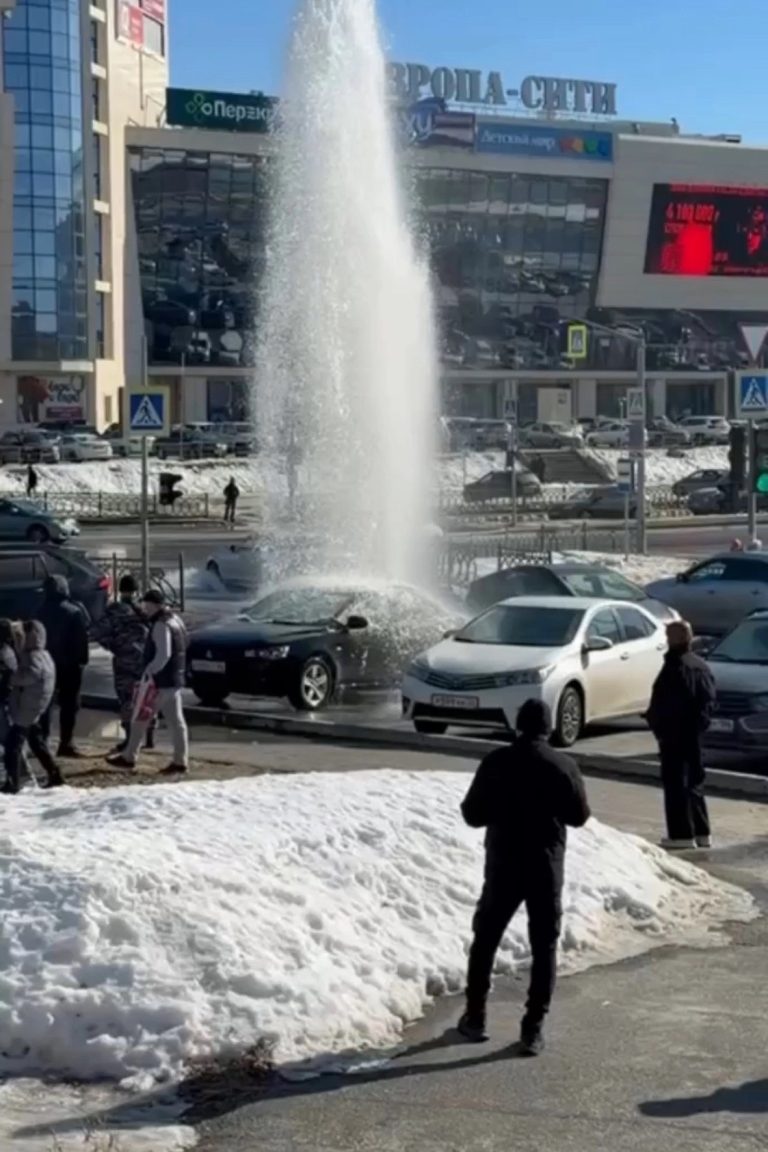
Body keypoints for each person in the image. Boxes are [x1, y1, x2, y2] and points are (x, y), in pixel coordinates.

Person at [457, 698, 591, 1056]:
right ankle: (533, 1027)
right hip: (545, 865)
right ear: (548, 727)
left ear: (518, 725)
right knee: (544, 944)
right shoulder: (563, 765)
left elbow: (472, 814)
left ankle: (475, 1015)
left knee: (486, 937)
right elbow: (579, 816)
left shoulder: (496, 762)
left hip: (504, 863)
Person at [645, 619, 716, 851]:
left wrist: (658, 725)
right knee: (695, 782)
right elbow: (708, 701)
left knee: (676, 784)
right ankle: (702, 831)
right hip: (695, 735)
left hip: (675, 735)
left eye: (668, 636)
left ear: (675, 639)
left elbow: (667, 703)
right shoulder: (701, 666)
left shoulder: (675, 667)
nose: (666, 640)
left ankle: (681, 834)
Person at [107, 589, 189, 775]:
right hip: (174, 679)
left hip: (160, 681)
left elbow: (163, 654)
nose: (144, 609)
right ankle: (180, 760)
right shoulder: (176, 620)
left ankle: (129, 757)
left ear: (154, 605)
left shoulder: (160, 625)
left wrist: (149, 672)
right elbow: (184, 645)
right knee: (177, 722)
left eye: (146, 605)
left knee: (141, 717)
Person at [90, 573, 154, 754]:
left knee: (127, 699)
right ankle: (149, 737)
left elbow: (97, 632)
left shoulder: (115, 610)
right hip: (145, 663)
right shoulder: (145, 612)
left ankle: (129, 740)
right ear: (136, 591)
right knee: (146, 697)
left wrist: (113, 645)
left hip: (124, 662)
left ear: (120, 590)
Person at [3, 620, 62, 794]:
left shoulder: (32, 656)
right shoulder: (44, 655)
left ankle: (13, 783)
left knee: (12, 746)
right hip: (36, 705)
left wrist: (11, 678)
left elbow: (30, 676)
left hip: (27, 707)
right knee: (37, 743)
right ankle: (55, 774)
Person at [38, 575, 90, 757]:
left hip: (46, 664)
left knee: (46, 704)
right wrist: (82, 661)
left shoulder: (39, 611)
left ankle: (43, 741)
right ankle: (66, 743)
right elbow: (82, 640)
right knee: (69, 706)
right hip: (70, 665)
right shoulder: (74, 612)